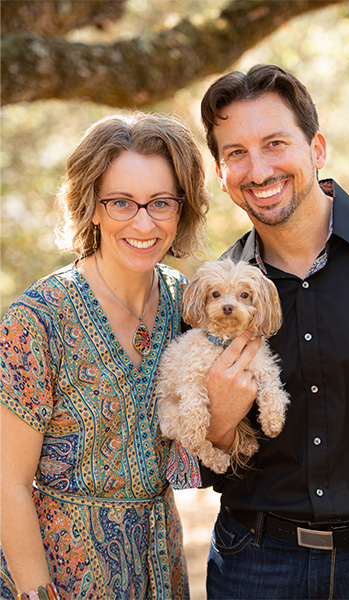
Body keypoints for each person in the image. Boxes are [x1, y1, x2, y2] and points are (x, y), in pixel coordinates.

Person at [199, 64, 349, 599]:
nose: (258, 170)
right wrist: (219, 428)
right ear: (220, 171)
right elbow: (193, 459)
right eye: (236, 153)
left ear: (317, 149)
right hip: (253, 566)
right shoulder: (217, 297)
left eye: (275, 143)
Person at [0, 112, 210, 599]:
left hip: (161, 568)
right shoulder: (38, 319)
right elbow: (7, 481)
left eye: (161, 202)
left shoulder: (186, 303)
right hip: (60, 576)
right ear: (92, 207)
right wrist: (37, 592)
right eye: (121, 203)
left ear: (182, 209)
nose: (143, 222)